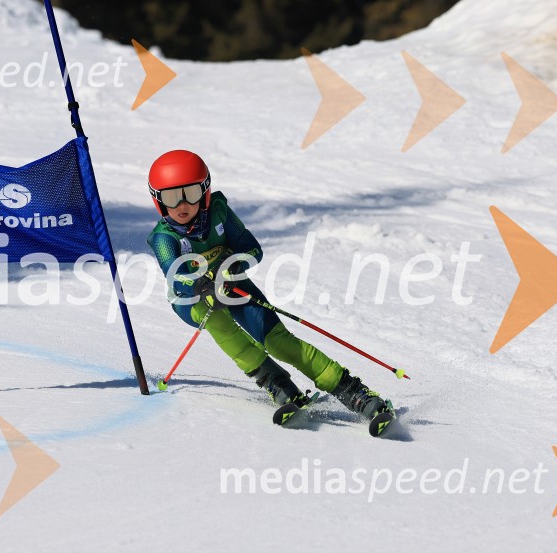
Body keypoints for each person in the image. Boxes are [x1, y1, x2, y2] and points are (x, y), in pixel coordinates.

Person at [145, 149, 392, 420]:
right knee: (216, 319)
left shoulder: (219, 212)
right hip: (192, 301)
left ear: (204, 191)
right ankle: (276, 383)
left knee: (278, 341)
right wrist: (200, 285)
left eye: (190, 193)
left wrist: (235, 265)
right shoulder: (163, 238)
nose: (182, 204)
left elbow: (253, 249)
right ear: (159, 201)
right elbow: (174, 275)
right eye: (171, 197)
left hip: (232, 285)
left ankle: (353, 391)